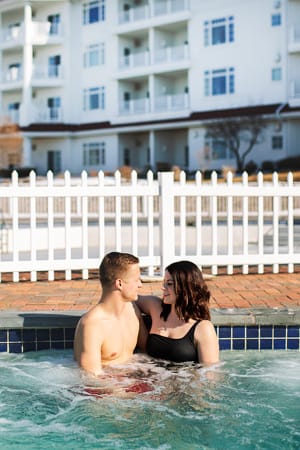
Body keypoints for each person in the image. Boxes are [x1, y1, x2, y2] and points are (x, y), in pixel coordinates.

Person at [73, 251, 148, 376]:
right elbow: (91, 378)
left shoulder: (133, 309)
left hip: (132, 382)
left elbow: (148, 351)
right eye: (136, 280)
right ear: (119, 284)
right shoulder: (92, 324)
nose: (140, 285)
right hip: (107, 391)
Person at [137, 260, 219, 365]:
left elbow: (209, 374)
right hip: (152, 378)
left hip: (184, 379)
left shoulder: (203, 328)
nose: (163, 287)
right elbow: (127, 298)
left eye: (169, 284)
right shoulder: (155, 307)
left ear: (186, 288)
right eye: (164, 283)